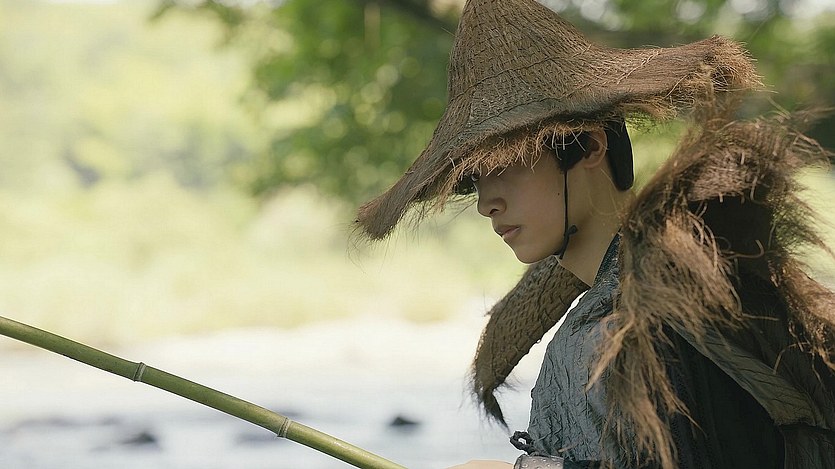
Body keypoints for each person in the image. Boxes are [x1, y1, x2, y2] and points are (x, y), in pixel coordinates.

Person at [354, 0, 835, 468]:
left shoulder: (624, 329)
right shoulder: (688, 287)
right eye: (476, 180)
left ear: (588, 147)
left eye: (504, 165)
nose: (486, 203)